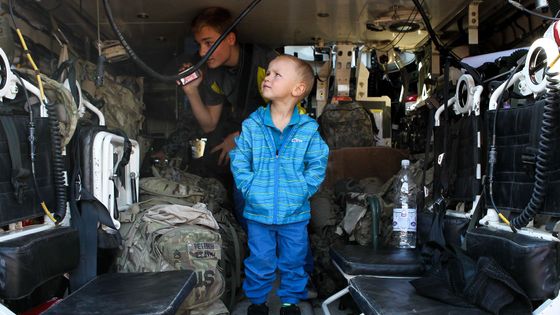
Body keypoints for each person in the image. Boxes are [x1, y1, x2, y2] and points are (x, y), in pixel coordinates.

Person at [230, 55, 329, 315]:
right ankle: (258, 303)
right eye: (268, 72)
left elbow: (318, 163)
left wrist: (301, 191)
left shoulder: (307, 129)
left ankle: (289, 304)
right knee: (259, 260)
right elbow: (240, 161)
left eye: (277, 74)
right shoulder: (252, 125)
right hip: (258, 212)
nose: (268, 77)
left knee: (293, 261)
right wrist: (251, 189)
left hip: (294, 214)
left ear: (298, 90)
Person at [181, 7, 278, 168]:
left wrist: (240, 138)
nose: (202, 52)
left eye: (208, 43)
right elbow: (209, 124)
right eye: (199, 44)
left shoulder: (266, 64)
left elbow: (286, 117)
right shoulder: (214, 74)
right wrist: (191, 91)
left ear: (230, 39)